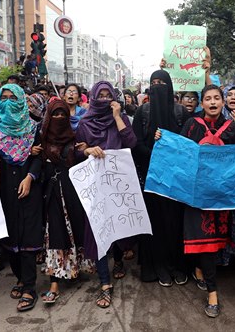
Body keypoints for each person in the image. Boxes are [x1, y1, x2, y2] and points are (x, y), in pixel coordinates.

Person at [155, 84, 235, 317]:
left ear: (223, 102)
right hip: (196, 195)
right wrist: (163, 139)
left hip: (221, 195)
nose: (213, 102)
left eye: (217, 98)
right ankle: (213, 294)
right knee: (203, 241)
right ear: (201, 103)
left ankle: (199, 270)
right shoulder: (191, 124)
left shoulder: (232, 127)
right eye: (208, 98)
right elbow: (180, 153)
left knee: (214, 242)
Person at [76, 81, 137, 308]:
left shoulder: (120, 119)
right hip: (94, 186)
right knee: (98, 231)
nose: (103, 98)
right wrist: (87, 150)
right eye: (99, 95)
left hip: (118, 183)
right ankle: (104, 282)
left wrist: (118, 116)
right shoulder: (84, 123)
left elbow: (131, 142)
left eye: (107, 94)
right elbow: (76, 150)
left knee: (118, 226)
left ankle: (119, 261)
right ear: (92, 97)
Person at [0, 84, 42, 313]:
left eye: (13, 98)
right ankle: (19, 278)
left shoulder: (34, 127)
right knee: (10, 235)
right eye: (3, 98)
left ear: (21, 100)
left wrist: (30, 177)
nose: (8, 102)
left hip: (30, 187)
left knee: (27, 235)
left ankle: (29, 287)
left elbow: (41, 155)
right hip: (4, 187)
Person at [133, 70, 191, 285]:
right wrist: (156, 156)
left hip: (176, 179)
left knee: (174, 222)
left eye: (161, 83)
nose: (157, 86)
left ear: (170, 86)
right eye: (153, 83)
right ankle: (156, 267)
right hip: (151, 178)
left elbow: (188, 145)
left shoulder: (180, 112)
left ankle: (177, 265)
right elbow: (136, 144)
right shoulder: (143, 112)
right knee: (154, 222)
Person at [39, 99, 95, 305]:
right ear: (49, 117)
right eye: (55, 115)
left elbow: (82, 154)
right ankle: (54, 283)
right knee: (55, 233)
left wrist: (88, 150)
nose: (60, 118)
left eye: (64, 114)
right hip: (51, 195)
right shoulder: (40, 141)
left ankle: (75, 269)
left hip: (73, 193)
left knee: (76, 230)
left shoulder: (75, 140)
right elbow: (36, 167)